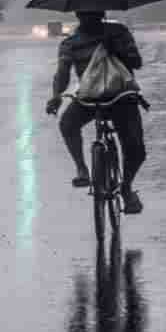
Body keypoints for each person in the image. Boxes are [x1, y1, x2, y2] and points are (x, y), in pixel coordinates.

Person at [45, 11, 146, 214]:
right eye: (86, 13)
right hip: (96, 98)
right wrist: (56, 96)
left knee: (135, 147)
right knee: (67, 124)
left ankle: (125, 187)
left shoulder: (116, 33)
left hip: (119, 97)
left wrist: (115, 49)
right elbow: (62, 73)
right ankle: (83, 169)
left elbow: (135, 61)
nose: (90, 16)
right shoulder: (71, 42)